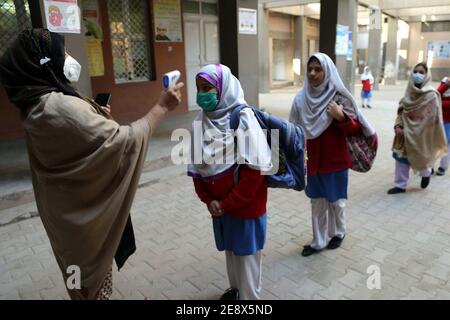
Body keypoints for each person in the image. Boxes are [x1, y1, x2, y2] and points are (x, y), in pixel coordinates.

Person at [0, 29, 183, 299]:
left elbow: (80, 140)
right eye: (61, 52)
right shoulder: (57, 106)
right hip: (83, 222)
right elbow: (124, 142)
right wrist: (161, 108)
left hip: (66, 215)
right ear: (46, 61)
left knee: (83, 282)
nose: (69, 57)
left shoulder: (36, 103)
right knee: (90, 286)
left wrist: (96, 116)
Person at [188, 64, 272, 300]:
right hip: (220, 209)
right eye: (199, 88)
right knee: (232, 252)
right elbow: (197, 169)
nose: (202, 94)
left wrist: (225, 203)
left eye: (208, 88)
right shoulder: (200, 122)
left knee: (247, 258)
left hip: (246, 208)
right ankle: (236, 293)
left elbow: (255, 173)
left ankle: (250, 300)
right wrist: (209, 201)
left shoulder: (243, 117)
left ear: (223, 88)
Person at [290, 53, 375, 257]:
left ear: (327, 71)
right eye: (310, 69)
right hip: (312, 162)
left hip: (335, 162)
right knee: (317, 202)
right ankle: (318, 241)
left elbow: (356, 129)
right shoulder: (301, 100)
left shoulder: (339, 98)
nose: (312, 73)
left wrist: (341, 116)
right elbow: (292, 129)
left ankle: (338, 232)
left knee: (336, 201)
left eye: (318, 69)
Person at [388, 62, 447, 194]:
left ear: (427, 75)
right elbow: (401, 112)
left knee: (421, 158)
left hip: (422, 135)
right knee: (401, 159)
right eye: (415, 72)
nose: (417, 75)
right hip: (404, 133)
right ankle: (400, 185)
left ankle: (426, 174)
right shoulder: (408, 92)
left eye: (421, 72)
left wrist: (417, 128)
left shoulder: (431, 95)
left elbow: (433, 118)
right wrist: (398, 125)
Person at [435, 76, 450, 176]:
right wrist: (446, 85)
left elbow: (438, 101)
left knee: (447, 146)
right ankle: (429, 166)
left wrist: (440, 103)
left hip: (448, 122)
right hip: (440, 120)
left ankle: (443, 167)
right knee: (435, 144)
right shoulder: (445, 80)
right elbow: (436, 94)